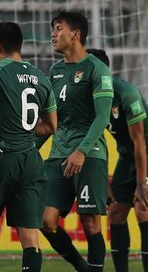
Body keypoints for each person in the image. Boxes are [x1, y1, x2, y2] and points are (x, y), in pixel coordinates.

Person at [0, 21, 57, 272]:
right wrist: (24, 130)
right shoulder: (41, 77)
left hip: (2, 156)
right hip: (31, 159)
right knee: (29, 236)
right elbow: (50, 126)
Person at [38, 11, 113, 272]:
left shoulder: (97, 69)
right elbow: (50, 120)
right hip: (58, 154)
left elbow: (103, 116)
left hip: (89, 154)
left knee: (90, 222)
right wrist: (28, 150)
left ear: (76, 34)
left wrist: (81, 151)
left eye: (59, 28)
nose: (53, 34)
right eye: (53, 29)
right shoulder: (55, 71)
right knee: (46, 221)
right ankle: (83, 268)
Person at [87, 48, 148, 272]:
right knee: (116, 213)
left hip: (145, 153)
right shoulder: (90, 97)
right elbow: (93, 139)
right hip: (126, 156)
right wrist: (104, 181)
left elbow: (140, 142)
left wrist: (142, 184)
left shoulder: (126, 94)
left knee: (143, 209)